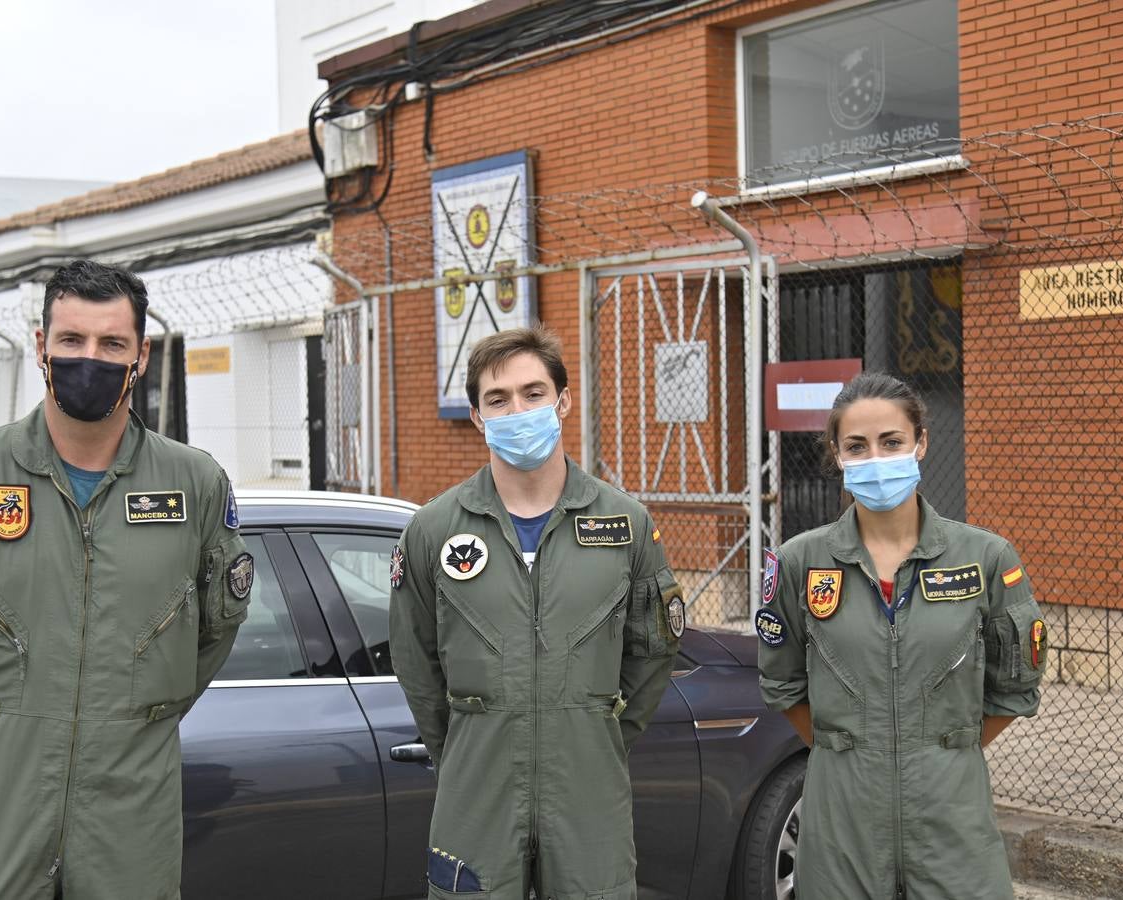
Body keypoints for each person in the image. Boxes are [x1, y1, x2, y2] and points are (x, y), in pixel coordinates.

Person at [0, 259, 250, 900]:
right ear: (40, 349)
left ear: (140, 356)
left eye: (113, 344)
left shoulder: (194, 484)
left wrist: (132, 717)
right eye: (72, 341)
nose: (92, 359)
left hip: (129, 809)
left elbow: (215, 628)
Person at [389, 326, 684, 899]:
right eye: (498, 400)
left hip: (588, 795)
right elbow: (416, 663)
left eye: (533, 393)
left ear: (563, 401)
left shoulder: (625, 525)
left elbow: (652, 655)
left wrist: (593, 733)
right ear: (477, 416)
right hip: (474, 800)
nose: (517, 410)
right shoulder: (432, 530)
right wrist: (468, 749)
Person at [756, 372, 1047, 899]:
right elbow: (782, 683)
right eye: (856, 446)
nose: (875, 459)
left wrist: (935, 749)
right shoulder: (799, 561)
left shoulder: (985, 558)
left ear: (921, 444)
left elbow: (1013, 689)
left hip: (952, 823)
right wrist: (852, 750)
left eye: (891, 442)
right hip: (841, 824)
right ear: (837, 456)